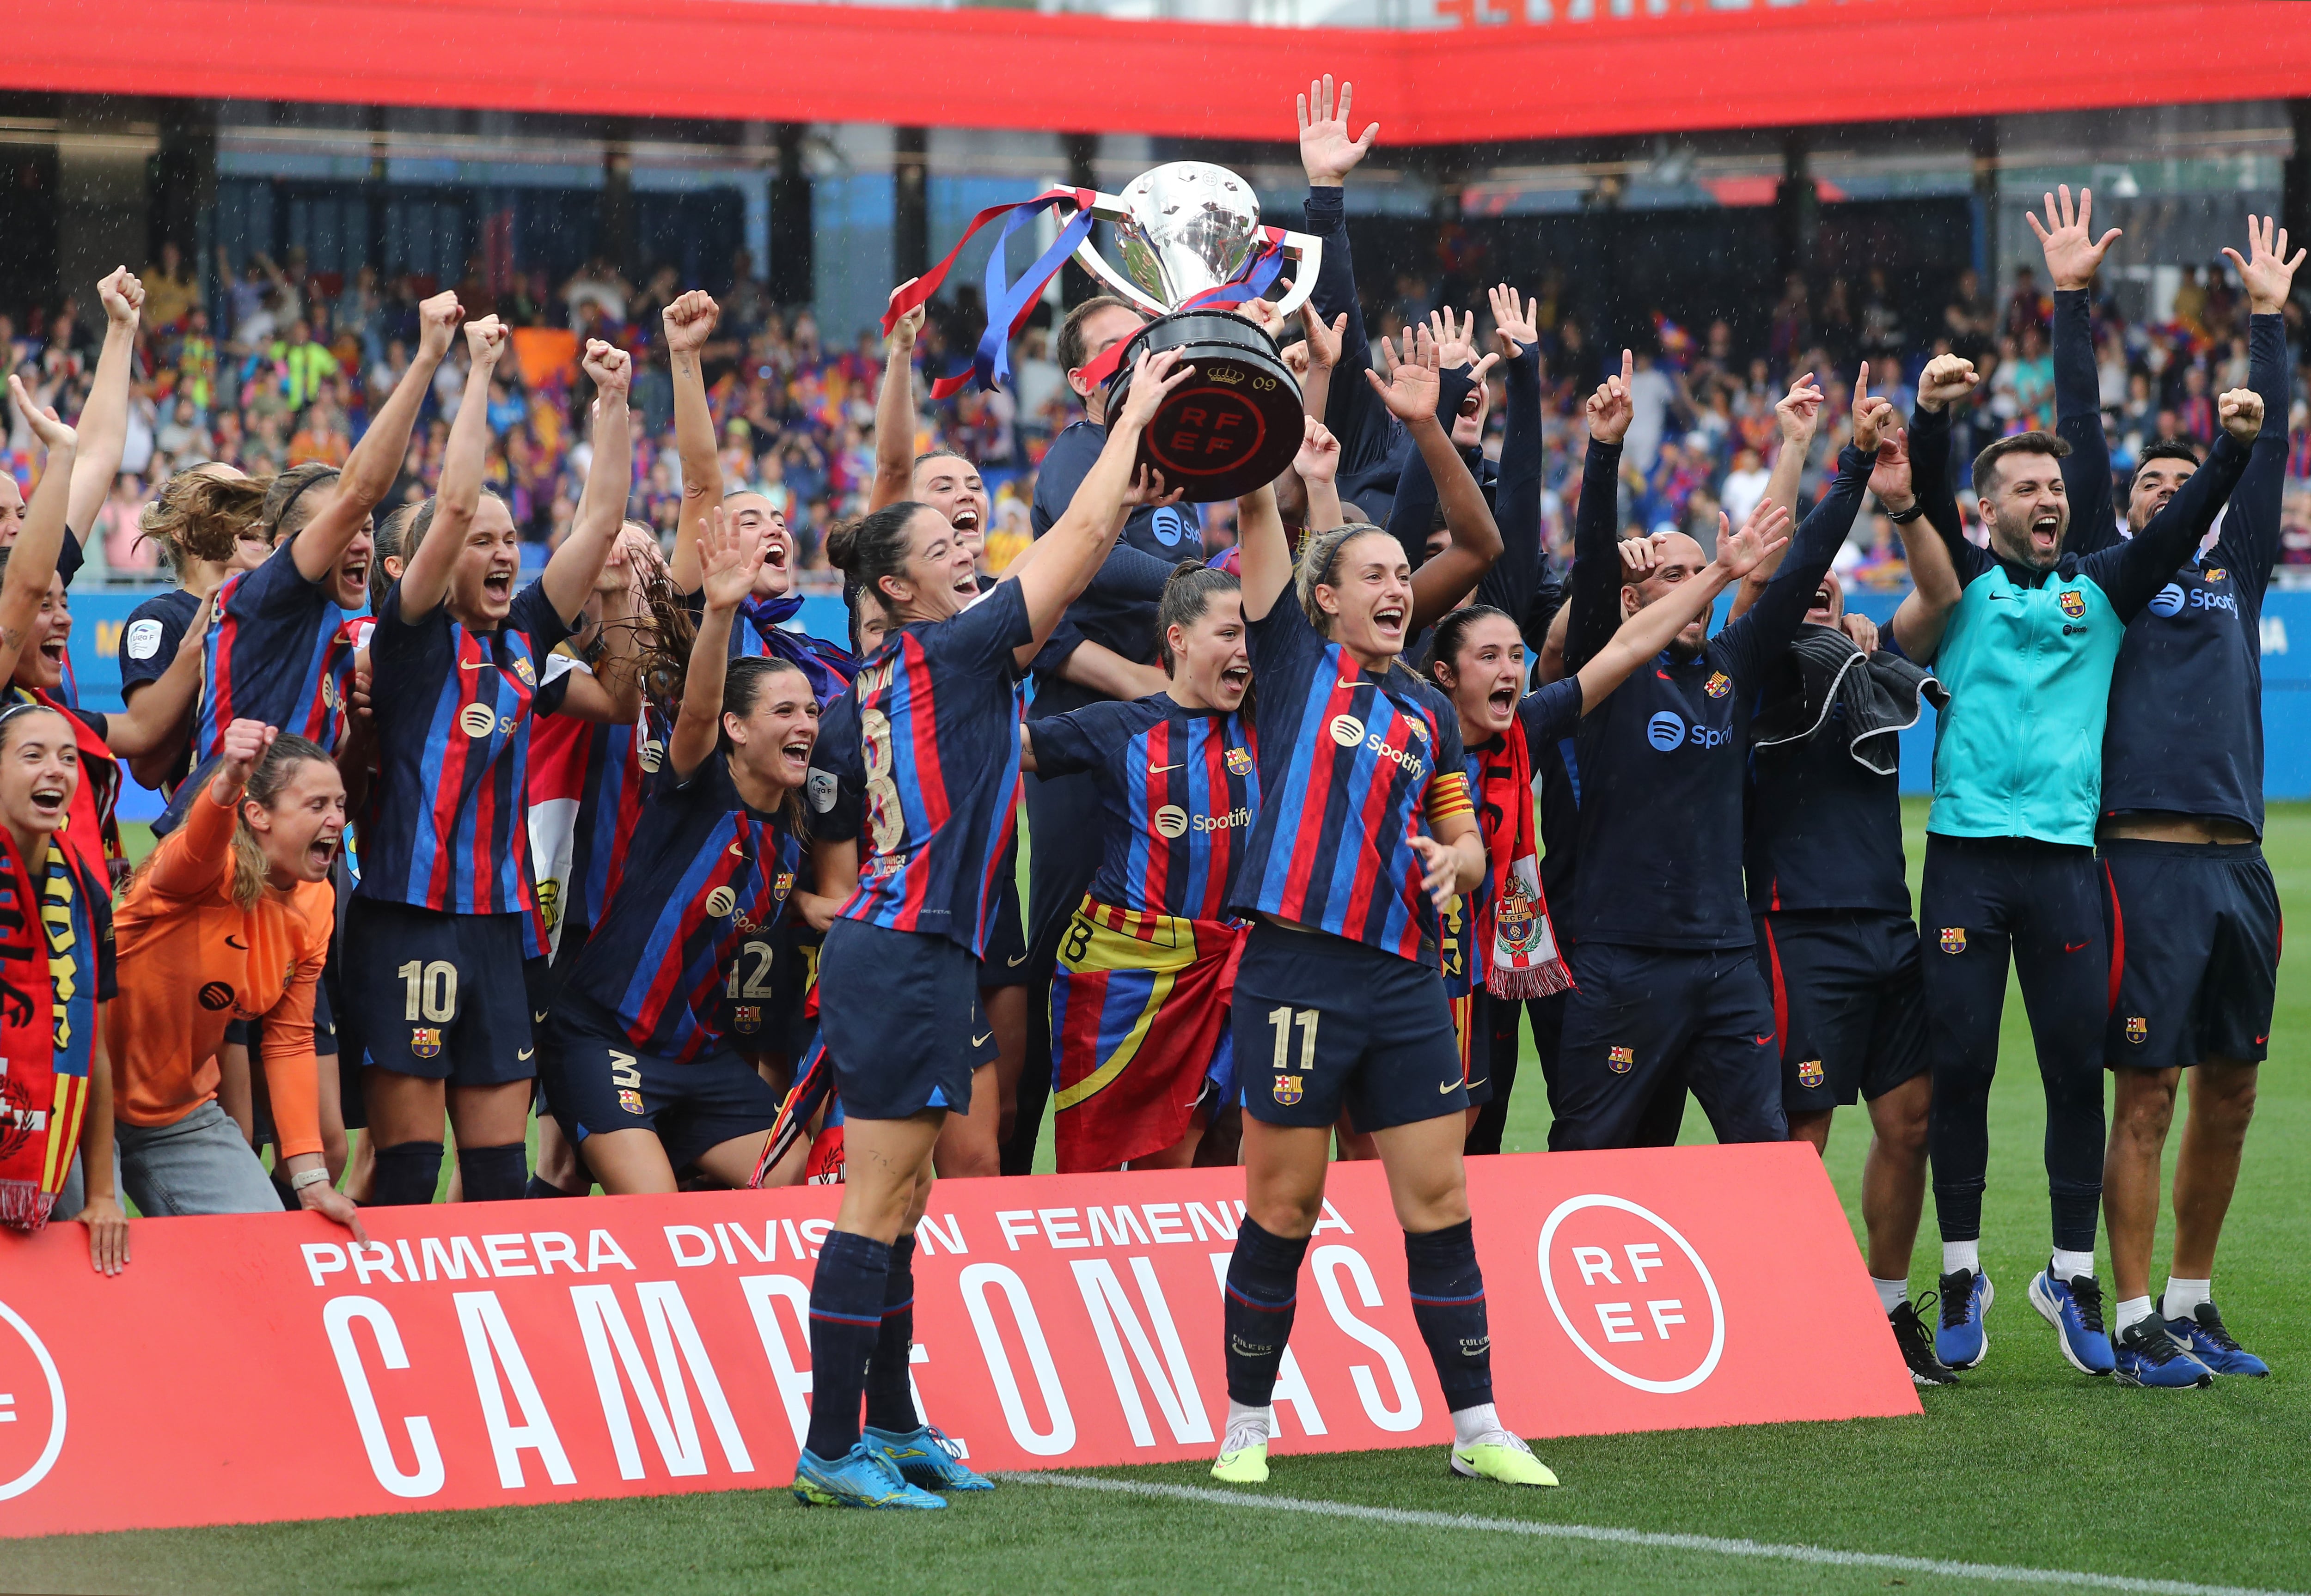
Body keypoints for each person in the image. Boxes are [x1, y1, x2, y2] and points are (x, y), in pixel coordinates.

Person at [792, 347, 1194, 1510]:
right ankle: (830, 1447)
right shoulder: (946, 646)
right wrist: (1136, 425)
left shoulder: (926, 652)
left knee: (908, 1197)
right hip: (903, 950)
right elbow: (1064, 563)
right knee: (878, 1199)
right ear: (903, 589)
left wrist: (1127, 483)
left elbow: (1068, 565)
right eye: (943, 549)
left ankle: (898, 1427)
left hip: (920, 948)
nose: (967, 551)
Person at [1892, 313, 2262, 1381]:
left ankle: (2071, 1278)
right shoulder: (1956, 588)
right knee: (1959, 1069)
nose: (2048, 502)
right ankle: (1961, 1275)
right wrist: (1930, 412)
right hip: (1964, 856)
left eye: (2056, 490)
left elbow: (2178, 519)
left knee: (2071, 1076)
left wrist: (2233, 446)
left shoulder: (2099, 590)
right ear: (1989, 508)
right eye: (2026, 490)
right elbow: (1915, 495)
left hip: (2065, 864)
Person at [1208, 335, 1546, 1492]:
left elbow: (1459, 822)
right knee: (1286, 1203)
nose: (1400, 588)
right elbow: (1262, 512)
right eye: (1377, 575)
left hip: (1405, 977)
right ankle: (1247, 1424)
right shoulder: (1292, 659)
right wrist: (1284, 420)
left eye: (1409, 574)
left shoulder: (1422, 706)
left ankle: (1479, 1425)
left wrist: (1460, 857)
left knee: (1438, 1196)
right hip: (1296, 971)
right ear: (1320, 598)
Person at [2036, 197, 2295, 1384]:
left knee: (2230, 1092)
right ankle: (2128, 1311)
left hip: (2237, 863)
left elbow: (2269, 448)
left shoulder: (2238, 577)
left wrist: (2267, 324)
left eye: (2179, 478)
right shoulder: (2111, 575)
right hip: (2137, 860)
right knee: (2146, 1090)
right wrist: (2074, 300)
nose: (2157, 489)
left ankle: (2191, 1300)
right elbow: (2083, 444)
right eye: (2148, 482)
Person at [1546, 355, 1875, 1153]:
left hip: (1726, 959)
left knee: (1767, 1156)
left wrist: (1848, 458)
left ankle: (1776, 1285)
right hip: (1621, 956)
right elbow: (1593, 568)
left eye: (1703, 571)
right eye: (1673, 575)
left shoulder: (1733, 662)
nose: (1697, 585)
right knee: (1594, 1155)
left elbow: (1797, 565)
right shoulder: (1608, 672)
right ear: (1634, 599)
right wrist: (1603, 451)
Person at [345, 322, 630, 1206]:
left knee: (502, 1177)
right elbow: (456, 501)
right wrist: (474, 370)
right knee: (404, 1169)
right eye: (484, 540)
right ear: (435, 558)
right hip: (409, 918)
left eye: (512, 539)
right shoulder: (411, 638)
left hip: (505, 929)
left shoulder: (524, 642)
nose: (503, 550)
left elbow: (603, 522)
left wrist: (614, 403)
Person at [1425, 499, 1792, 1139]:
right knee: (1394, 1138)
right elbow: (1601, 635)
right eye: (1491, 656)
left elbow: (1628, 646)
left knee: (1476, 1132)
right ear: (1442, 674)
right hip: (1423, 957)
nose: (1512, 669)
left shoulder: (1533, 723)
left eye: (1517, 655)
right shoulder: (1412, 729)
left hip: (1514, 952)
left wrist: (1727, 570)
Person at [540, 508, 807, 1193]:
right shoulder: (696, 781)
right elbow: (694, 709)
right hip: (605, 1035)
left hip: (697, 1052)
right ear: (736, 728)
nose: (805, 722)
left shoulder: (795, 830)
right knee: (650, 1210)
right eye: (784, 712)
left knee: (799, 1184)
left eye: (809, 711)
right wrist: (719, 610)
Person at [1025, 556, 1258, 1174]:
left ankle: (1206, 1271)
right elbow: (1009, 748)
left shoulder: (1268, 724)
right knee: (1142, 1160)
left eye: (1250, 635)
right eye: (1229, 634)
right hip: (1130, 973)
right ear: (1178, 640)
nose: (1245, 649)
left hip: (1231, 968)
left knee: (1225, 1138)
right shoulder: (1118, 727)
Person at [98, 718, 364, 1233]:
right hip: (82, 1099)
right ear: (258, 814)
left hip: (178, 1114)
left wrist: (310, 1177)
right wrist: (226, 782)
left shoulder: (318, 901)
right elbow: (200, 840)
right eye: (316, 805)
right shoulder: (199, 873)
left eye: (339, 804)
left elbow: (288, 1041)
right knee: (69, 1263)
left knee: (259, 1248)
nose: (336, 819)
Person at [0, 403, 124, 1274]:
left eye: (62, 755)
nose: (57, 768)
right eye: (33, 753)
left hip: (37, 1136)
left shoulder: (69, 876)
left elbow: (85, 1020)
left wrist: (106, 1182)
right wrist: (61, 457)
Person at [117, 466, 269, 795]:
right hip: (209, 832)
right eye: (230, 500)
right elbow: (146, 769)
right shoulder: (161, 619)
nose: (251, 514)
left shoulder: (279, 612)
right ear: (184, 533)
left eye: (252, 501)